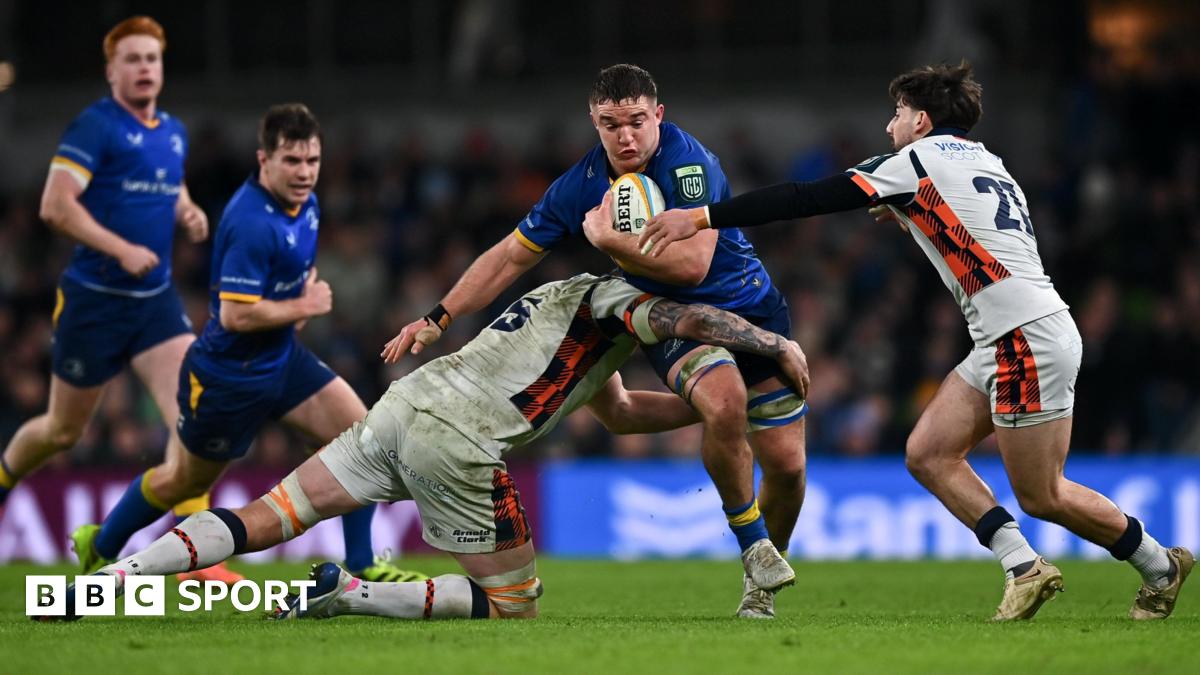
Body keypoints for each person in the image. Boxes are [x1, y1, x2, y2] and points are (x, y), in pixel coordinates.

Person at [637, 60, 1193, 621]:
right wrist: (912, 215)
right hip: (1014, 333)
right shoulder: (988, 160)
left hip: (1022, 339)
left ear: (921, 121)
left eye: (897, 113)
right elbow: (974, 227)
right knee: (928, 453)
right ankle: (1024, 566)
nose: (889, 126)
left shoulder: (915, 161)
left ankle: (1158, 565)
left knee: (1042, 493)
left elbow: (804, 197)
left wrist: (701, 217)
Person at [38, 273, 810, 622]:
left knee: (268, 513)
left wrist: (709, 410)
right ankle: (350, 593)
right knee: (514, 604)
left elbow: (620, 413)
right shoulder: (621, 298)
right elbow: (690, 322)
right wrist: (773, 342)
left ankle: (106, 581)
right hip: (458, 440)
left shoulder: (565, 302)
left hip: (406, 404)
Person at [384, 64, 807, 618]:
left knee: (787, 466)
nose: (626, 136)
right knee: (723, 401)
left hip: (751, 307)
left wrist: (608, 240)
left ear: (658, 115)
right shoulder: (579, 184)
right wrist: (439, 316)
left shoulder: (689, 164)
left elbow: (693, 264)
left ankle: (762, 571)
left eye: (636, 121)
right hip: (670, 317)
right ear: (594, 122)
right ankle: (754, 550)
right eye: (611, 125)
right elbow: (510, 256)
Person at [69, 103, 423, 585]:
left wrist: (298, 299)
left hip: (282, 359)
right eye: (291, 161)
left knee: (361, 435)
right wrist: (303, 305)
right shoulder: (251, 221)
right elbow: (235, 315)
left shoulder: (307, 204)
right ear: (264, 160)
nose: (304, 172)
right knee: (183, 479)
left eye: (312, 160)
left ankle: (362, 562)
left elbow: (287, 277)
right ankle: (101, 543)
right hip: (228, 377)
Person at [0, 16, 240, 581]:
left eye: (152, 58)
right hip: (95, 302)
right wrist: (121, 248)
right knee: (62, 431)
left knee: (192, 416)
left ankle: (195, 557)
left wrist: (187, 208)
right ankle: (4, 477)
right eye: (132, 59)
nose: (144, 68)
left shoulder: (172, 131)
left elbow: (168, 182)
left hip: (154, 303)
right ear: (112, 71)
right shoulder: (95, 126)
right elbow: (55, 205)